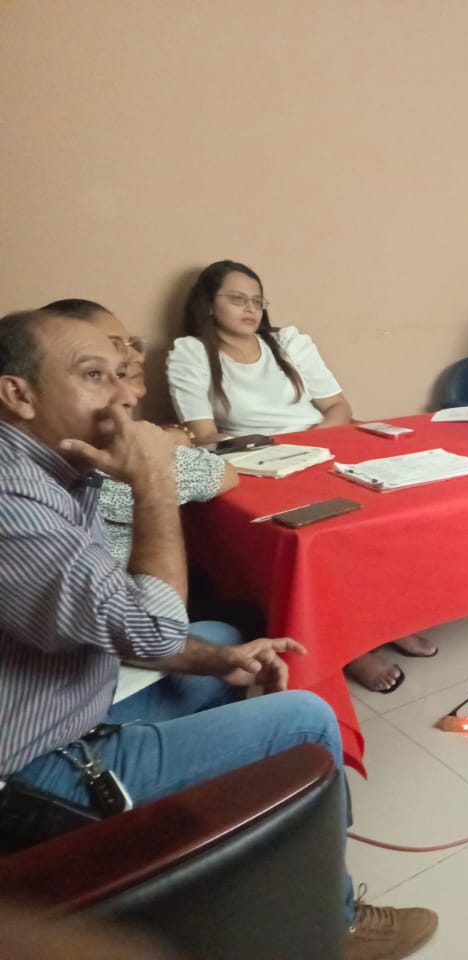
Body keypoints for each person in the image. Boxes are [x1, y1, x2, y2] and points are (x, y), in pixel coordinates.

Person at [0, 306, 437, 960]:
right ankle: (337, 927)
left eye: (122, 371)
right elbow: (150, 628)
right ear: (19, 394)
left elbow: (111, 618)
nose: (126, 395)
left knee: (218, 637)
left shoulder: (53, 466)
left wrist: (215, 658)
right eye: (95, 375)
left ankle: (220, 857)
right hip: (29, 775)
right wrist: (153, 482)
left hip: (60, 701)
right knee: (305, 720)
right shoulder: (13, 501)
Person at [167, 261, 435, 693]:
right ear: (208, 304)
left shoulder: (288, 342)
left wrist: (312, 445)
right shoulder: (192, 353)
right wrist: (279, 452)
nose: (250, 309)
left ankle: (387, 620)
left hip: (321, 446)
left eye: (257, 301)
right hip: (258, 463)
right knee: (320, 539)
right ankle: (350, 645)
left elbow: (339, 408)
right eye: (237, 299)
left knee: (384, 516)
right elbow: (204, 436)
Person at [41, 299, 237, 563]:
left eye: (132, 343)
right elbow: (220, 473)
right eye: (115, 345)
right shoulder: (89, 453)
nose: (136, 357)